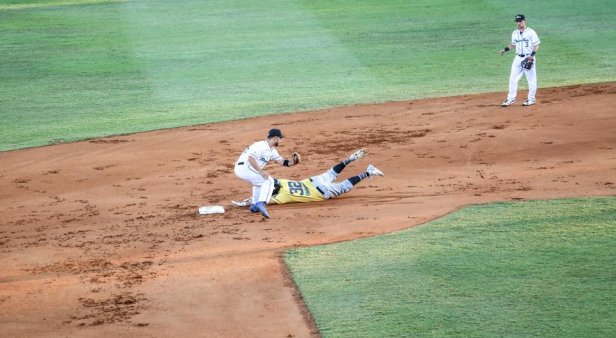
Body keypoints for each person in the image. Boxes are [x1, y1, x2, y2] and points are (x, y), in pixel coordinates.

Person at [244, 148, 384, 218]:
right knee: (331, 173)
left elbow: (264, 201)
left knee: (344, 186)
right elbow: (270, 182)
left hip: (320, 191)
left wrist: (250, 201)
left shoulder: (281, 197)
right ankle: (350, 159)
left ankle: (368, 172)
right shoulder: (283, 182)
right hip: (313, 181)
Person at [234, 128, 299, 218]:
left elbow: (282, 162)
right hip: (244, 167)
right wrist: (261, 171)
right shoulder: (261, 146)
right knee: (269, 181)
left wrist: (293, 162)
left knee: (259, 184)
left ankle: (254, 205)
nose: (280, 141)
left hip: (247, 168)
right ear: (275, 138)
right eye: (280, 139)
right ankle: (262, 203)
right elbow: (251, 158)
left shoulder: (271, 150)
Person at [499, 14, 541, 107]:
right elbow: (513, 45)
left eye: (520, 21)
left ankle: (531, 99)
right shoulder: (514, 33)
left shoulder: (531, 32)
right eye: (517, 21)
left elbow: (536, 45)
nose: (518, 23)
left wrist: (532, 56)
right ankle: (510, 99)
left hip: (528, 57)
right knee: (513, 78)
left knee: (531, 79)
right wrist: (504, 50)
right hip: (517, 58)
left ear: (524, 21)